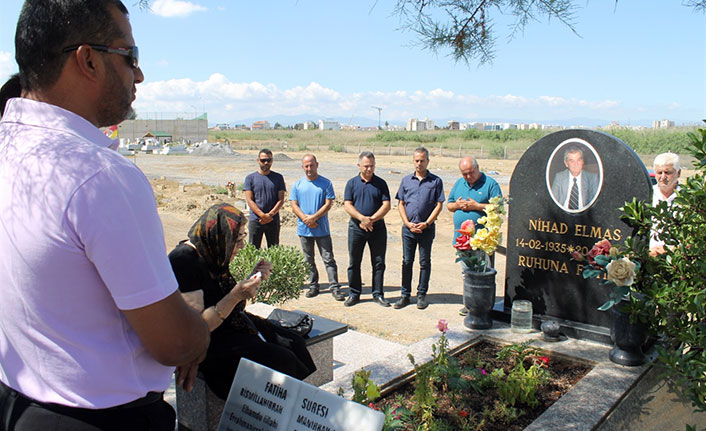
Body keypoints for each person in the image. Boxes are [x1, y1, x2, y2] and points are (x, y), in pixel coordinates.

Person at [0, 1, 210, 429]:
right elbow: (173, 343)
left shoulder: (8, 148)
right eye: (131, 56)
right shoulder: (99, 175)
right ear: (88, 60)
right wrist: (200, 330)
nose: (139, 74)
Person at [168, 203, 316, 400]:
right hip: (209, 341)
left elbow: (223, 295)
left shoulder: (213, 250)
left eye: (242, 238)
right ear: (220, 236)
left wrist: (251, 279)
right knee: (282, 360)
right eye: (237, 240)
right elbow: (195, 328)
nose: (241, 246)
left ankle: (296, 408)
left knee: (294, 342)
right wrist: (236, 295)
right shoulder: (184, 261)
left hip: (230, 324)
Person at [447, 156, 502, 316]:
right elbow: (449, 205)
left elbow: (498, 208)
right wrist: (457, 205)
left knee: (484, 272)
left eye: (470, 173)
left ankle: (484, 306)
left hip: (483, 241)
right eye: (464, 174)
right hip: (462, 240)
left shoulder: (490, 184)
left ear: (478, 168)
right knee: (467, 272)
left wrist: (477, 206)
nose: (468, 177)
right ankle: (470, 304)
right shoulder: (459, 183)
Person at [394, 147, 445, 310]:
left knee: (424, 262)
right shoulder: (406, 180)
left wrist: (427, 223)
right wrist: (407, 223)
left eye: (422, 160)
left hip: (426, 229)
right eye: (416, 160)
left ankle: (422, 295)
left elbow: (439, 205)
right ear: (413, 161)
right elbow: (400, 203)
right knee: (407, 261)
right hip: (408, 229)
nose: (419, 163)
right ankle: (405, 295)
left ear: (428, 161)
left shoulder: (436, 181)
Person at [290, 154, 346, 301]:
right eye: (306, 166)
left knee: (328, 259)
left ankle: (334, 287)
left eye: (311, 165)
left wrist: (314, 218)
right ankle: (313, 285)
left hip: (322, 229)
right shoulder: (297, 185)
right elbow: (294, 205)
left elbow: (328, 204)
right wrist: (305, 219)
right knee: (308, 259)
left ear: (317, 165)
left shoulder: (326, 183)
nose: (309, 168)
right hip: (304, 229)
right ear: (303, 167)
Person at [343, 151, 391, 307]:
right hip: (356, 228)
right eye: (366, 166)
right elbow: (347, 204)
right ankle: (354, 293)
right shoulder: (351, 183)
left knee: (378, 262)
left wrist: (371, 219)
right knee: (354, 262)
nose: (369, 169)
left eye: (372, 166)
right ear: (359, 166)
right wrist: (362, 219)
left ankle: (378, 293)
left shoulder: (381, 183)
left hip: (377, 228)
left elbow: (386, 205)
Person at [243, 148, 286, 248]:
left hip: (273, 220)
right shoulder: (250, 178)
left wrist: (270, 215)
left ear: (272, 161)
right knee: (253, 250)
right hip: (256, 220)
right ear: (258, 160)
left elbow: (281, 199)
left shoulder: (278, 177)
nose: (266, 163)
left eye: (269, 160)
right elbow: (249, 200)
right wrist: (262, 215)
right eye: (263, 160)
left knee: (274, 250)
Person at [649, 152, 681, 256]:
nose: (663, 177)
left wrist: (668, 249)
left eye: (668, 172)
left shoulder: (687, 200)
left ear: (678, 173)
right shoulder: (647, 194)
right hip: (648, 258)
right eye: (659, 172)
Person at [550, 145, 600, 210]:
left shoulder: (592, 178)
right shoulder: (559, 177)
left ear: (582, 162)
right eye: (572, 161)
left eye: (578, 160)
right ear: (566, 163)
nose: (576, 164)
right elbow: (553, 202)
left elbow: (595, 206)